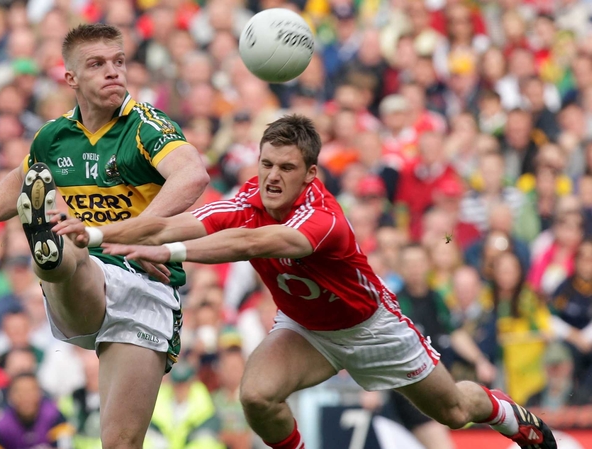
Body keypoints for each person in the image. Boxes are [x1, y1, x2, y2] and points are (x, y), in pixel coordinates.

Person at [55, 114, 557, 449]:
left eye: (286, 168)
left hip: (371, 328)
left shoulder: (323, 219)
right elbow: (174, 223)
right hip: (304, 328)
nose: (272, 177)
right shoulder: (251, 196)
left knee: (454, 410)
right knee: (256, 397)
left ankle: (511, 417)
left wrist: (167, 253)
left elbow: (251, 243)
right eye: (266, 164)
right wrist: (94, 233)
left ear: (311, 173)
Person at [0, 23, 209, 449]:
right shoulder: (54, 137)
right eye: (97, 64)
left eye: (119, 62)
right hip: (88, 274)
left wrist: (139, 235)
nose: (113, 72)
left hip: (146, 287)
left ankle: (53, 248)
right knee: (71, 250)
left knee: (120, 443)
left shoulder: (146, 126)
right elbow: (21, 178)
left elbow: (192, 175)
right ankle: (50, 252)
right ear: (71, 78)